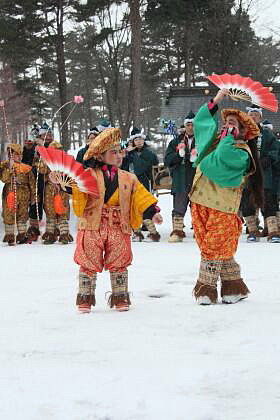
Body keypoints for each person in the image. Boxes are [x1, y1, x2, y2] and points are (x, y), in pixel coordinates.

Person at [49, 128, 162, 313]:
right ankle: (85, 298)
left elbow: (140, 196)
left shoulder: (128, 177)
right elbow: (75, 186)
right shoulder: (88, 175)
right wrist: (61, 181)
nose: (119, 156)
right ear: (100, 157)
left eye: (120, 152)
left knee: (119, 261)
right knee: (88, 260)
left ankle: (120, 297)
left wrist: (152, 211)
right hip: (93, 225)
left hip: (118, 225)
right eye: (113, 152)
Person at [189, 89, 263, 305]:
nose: (227, 125)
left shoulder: (241, 153)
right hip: (200, 202)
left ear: (242, 132)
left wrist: (227, 139)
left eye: (233, 123)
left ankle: (206, 289)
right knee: (213, 246)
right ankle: (233, 286)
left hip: (223, 208)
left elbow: (218, 161)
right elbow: (202, 126)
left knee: (214, 246)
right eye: (226, 122)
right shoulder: (216, 142)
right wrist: (218, 99)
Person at [241, 105, 280, 242]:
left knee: (268, 201)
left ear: (260, 117)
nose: (253, 117)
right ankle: (253, 231)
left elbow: (276, 148)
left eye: (256, 115)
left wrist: (269, 158)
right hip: (247, 173)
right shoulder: (242, 133)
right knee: (247, 202)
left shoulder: (267, 134)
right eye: (251, 114)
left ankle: (274, 232)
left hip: (264, 174)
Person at [164, 111, 196, 242]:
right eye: (188, 124)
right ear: (185, 126)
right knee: (179, 206)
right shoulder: (175, 142)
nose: (190, 127)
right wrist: (179, 155)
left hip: (197, 180)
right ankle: (177, 231)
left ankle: (200, 232)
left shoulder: (203, 140)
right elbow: (168, 160)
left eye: (193, 125)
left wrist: (199, 158)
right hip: (181, 179)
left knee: (198, 207)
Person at [125, 127, 160, 242]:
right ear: (132, 141)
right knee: (132, 209)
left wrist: (133, 154)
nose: (139, 141)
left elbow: (141, 168)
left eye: (140, 139)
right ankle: (137, 233)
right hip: (130, 185)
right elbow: (122, 168)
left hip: (144, 184)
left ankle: (153, 233)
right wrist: (127, 154)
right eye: (136, 140)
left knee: (146, 209)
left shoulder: (148, 153)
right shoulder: (128, 154)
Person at [37, 141, 73, 245]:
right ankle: (50, 234)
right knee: (50, 212)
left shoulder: (65, 162)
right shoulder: (46, 162)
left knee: (62, 211)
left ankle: (64, 234)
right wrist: (43, 160)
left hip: (62, 188)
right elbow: (41, 171)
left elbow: (70, 175)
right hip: (49, 190)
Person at [0, 144, 36, 245]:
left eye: (18, 154)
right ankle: (10, 236)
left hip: (24, 195)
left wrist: (34, 196)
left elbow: (32, 183)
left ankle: (22, 235)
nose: (17, 157)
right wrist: (10, 168)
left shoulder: (26, 168)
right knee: (9, 213)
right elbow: (4, 179)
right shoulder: (5, 165)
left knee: (22, 215)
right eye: (14, 154)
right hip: (10, 193)